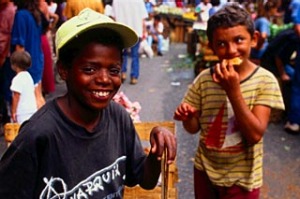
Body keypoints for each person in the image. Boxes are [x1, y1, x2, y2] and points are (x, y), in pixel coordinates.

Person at [0, 8, 177, 198]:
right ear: (64, 70)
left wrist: (156, 152)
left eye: (114, 70)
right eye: (90, 69)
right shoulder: (39, 135)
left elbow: (145, 179)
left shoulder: (118, 118)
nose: (104, 79)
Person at [174, 4, 284, 199]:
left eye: (239, 40)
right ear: (212, 46)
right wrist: (188, 117)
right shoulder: (204, 79)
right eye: (222, 43)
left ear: (254, 39)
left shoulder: (265, 81)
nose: (231, 50)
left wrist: (233, 91)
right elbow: (193, 128)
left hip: (243, 179)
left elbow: (254, 135)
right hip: (205, 171)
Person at [11, 0, 45, 109]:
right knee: (38, 95)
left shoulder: (21, 15)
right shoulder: (35, 14)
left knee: (30, 98)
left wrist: (17, 67)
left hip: (26, 62)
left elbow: (20, 44)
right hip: (37, 58)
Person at [112, 0, 148, 85]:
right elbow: (143, 19)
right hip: (136, 31)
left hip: (121, 32)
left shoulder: (116, 1)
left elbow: (113, 18)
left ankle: (123, 73)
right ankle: (134, 77)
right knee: (135, 55)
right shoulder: (139, 1)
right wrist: (144, 31)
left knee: (122, 54)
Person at [9, 51, 37, 125]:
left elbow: (16, 96)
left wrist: (13, 111)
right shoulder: (28, 76)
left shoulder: (17, 79)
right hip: (32, 109)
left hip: (22, 112)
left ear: (14, 65)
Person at [0, 0, 16, 125]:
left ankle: (9, 118)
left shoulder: (9, 10)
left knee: (7, 87)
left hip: (5, 55)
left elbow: (6, 37)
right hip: (5, 53)